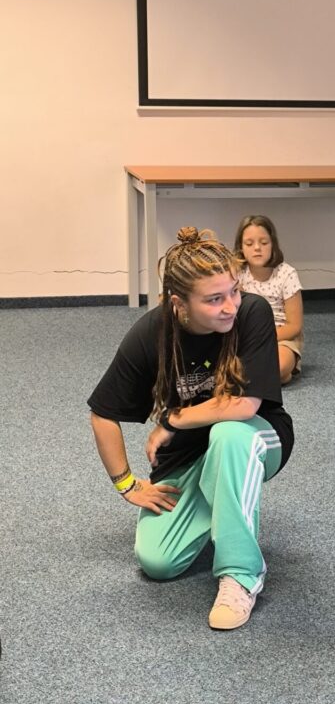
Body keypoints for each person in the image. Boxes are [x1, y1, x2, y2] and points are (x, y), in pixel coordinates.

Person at [88, 227, 293, 631]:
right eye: (214, 299)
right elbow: (102, 414)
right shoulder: (151, 334)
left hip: (258, 435)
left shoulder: (252, 312)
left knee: (228, 435)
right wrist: (127, 484)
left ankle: (241, 574)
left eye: (234, 291)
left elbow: (244, 405)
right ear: (178, 303)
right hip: (190, 453)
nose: (230, 306)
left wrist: (172, 419)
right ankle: (221, 498)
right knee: (158, 561)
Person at [235, 215, 304, 384]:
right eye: (249, 244)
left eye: (264, 243)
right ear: (241, 248)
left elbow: (294, 326)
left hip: (281, 337)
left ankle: (274, 373)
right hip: (246, 336)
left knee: (279, 367)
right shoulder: (237, 273)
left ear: (273, 244)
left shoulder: (287, 274)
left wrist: (263, 339)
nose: (257, 248)